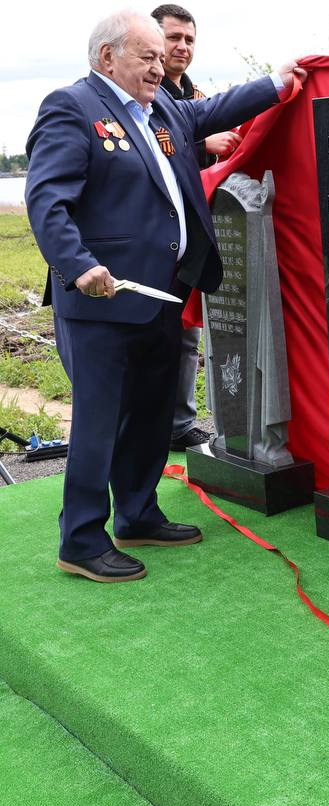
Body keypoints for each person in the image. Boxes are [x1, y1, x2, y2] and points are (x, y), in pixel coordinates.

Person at [25, 10, 306, 583]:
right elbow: (47, 199)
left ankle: (137, 513)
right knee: (101, 422)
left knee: (152, 415)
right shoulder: (71, 107)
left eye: (162, 57)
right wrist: (79, 265)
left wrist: (277, 83)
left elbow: (214, 109)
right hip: (103, 298)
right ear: (108, 57)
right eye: (147, 56)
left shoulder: (163, 111)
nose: (160, 67)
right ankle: (81, 540)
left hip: (162, 293)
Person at [152, 3, 236, 450]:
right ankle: (147, 426)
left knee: (189, 336)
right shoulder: (143, 94)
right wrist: (204, 144)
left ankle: (180, 424)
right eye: (173, 38)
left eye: (189, 40)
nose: (182, 47)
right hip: (156, 239)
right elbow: (151, 155)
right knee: (153, 338)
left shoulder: (197, 96)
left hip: (194, 238)